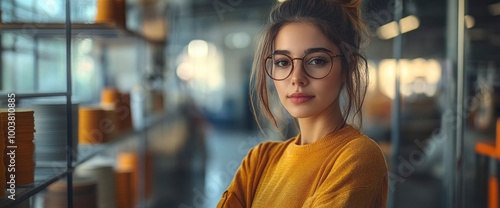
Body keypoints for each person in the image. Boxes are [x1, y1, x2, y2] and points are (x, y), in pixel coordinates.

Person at [217, 0, 388, 207]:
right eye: (283, 62)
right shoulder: (259, 160)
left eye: (317, 60)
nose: (297, 78)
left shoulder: (357, 156)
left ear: (348, 68)